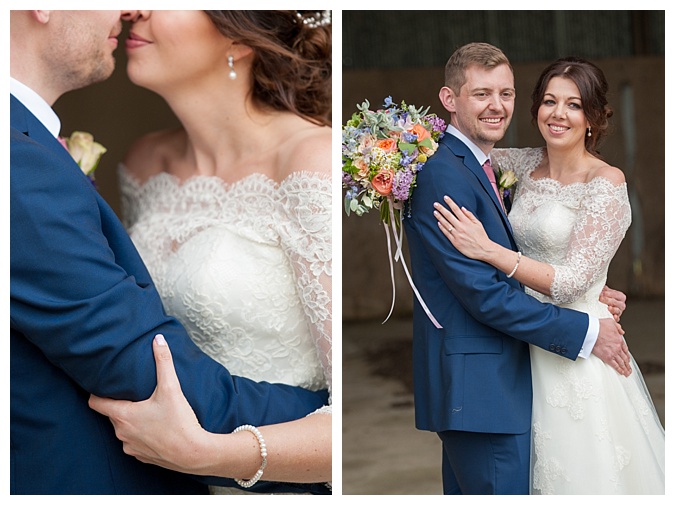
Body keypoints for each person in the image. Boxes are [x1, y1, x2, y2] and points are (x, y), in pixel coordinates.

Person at [10, 10, 329, 495]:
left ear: (238, 37)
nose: (135, 9)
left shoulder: (312, 163)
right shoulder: (145, 163)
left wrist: (223, 452)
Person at [401, 42, 632, 495]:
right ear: (450, 100)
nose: (497, 106)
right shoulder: (496, 166)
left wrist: (594, 288)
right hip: (512, 368)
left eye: (505, 93)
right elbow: (484, 292)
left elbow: (570, 274)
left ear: (594, 117)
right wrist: (392, 165)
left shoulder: (591, 180)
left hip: (549, 359)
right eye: (549, 101)